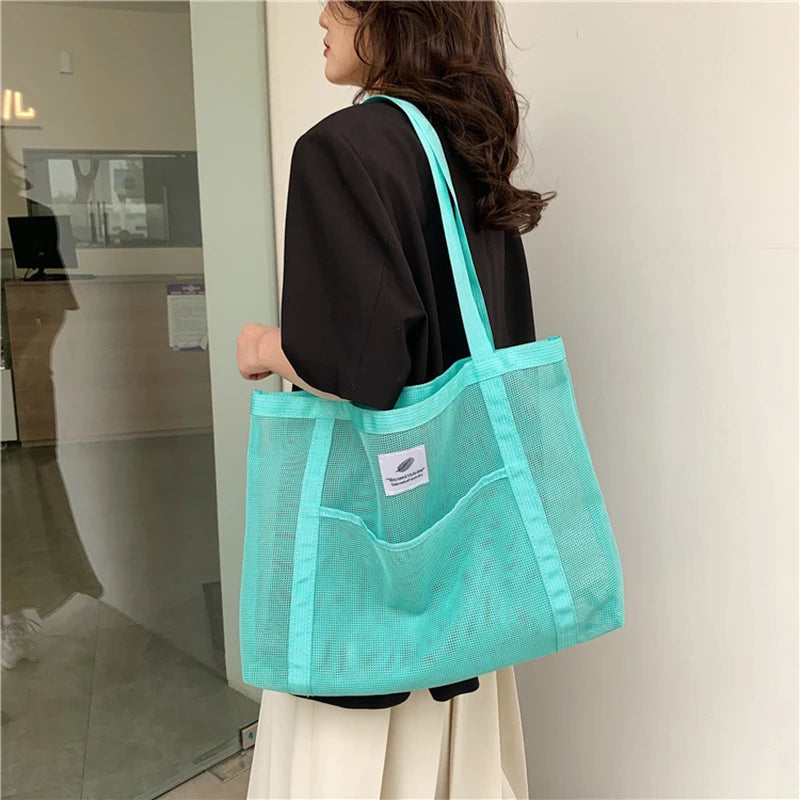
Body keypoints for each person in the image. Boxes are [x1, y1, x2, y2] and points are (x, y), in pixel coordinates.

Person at [235, 2, 556, 797]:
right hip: (467, 583)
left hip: (372, 578)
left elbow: (362, 369)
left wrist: (267, 348)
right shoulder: (469, 151)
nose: (321, 13)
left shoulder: (342, 148)